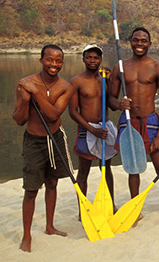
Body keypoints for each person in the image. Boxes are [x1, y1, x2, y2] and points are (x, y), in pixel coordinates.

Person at [109, 27, 159, 222]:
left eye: (143, 40)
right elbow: (111, 99)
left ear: (149, 43)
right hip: (129, 120)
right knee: (133, 167)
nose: (139, 44)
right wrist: (119, 104)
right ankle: (135, 207)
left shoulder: (158, 68)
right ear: (130, 42)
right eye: (136, 40)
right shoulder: (120, 68)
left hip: (150, 120)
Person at [12, 44, 73, 252]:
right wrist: (25, 100)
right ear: (41, 60)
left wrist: (36, 93)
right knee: (30, 190)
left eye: (58, 60)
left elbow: (54, 115)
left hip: (54, 139)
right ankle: (27, 235)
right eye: (49, 59)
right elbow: (19, 120)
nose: (54, 64)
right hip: (34, 141)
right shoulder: (26, 84)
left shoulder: (65, 86)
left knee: (52, 183)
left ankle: (49, 226)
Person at [69, 44, 117, 216]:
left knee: (107, 169)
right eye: (89, 57)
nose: (92, 60)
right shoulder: (77, 81)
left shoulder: (103, 79)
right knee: (83, 171)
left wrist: (109, 80)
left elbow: (111, 101)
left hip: (104, 128)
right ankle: (83, 210)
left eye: (96, 57)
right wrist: (90, 129)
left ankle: (111, 204)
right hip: (87, 129)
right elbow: (73, 111)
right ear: (83, 59)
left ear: (100, 60)